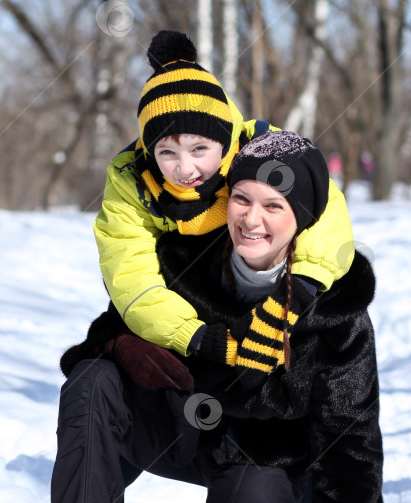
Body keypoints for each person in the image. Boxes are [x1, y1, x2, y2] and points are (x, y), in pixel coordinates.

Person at [49, 130, 411, 503]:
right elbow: (108, 330)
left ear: (303, 218)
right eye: (241, 199)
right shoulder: (185, 258)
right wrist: (114, 345)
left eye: (274, 205)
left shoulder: (335, 312)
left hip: (259, 453)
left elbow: (350, 445)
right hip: (179, 428)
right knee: (92, 383)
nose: (251, 219)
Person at [85, 30, 355, 389]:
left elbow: (324, 205)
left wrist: (304, 283)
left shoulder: (260, 146)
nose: (185, 169)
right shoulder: (131, 180)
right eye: (167, 152)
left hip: (256, 271)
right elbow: (129, 273)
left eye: (199, 150)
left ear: (224, 138)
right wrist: (194, 336)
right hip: (189, 292)